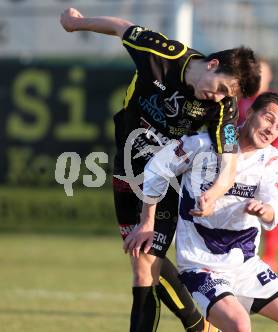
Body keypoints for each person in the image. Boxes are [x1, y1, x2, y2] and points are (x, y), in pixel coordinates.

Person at [60, 7, 261, 332]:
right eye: (222, 87)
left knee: (144, 265)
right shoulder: (163, 54)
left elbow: (229, 160)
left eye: (228, 95)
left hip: (169, 178)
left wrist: (214, 193)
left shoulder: (223, 107)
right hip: (127, 165)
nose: (220, 96)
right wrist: (76, 24)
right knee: (142, 258)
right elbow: (122, 27)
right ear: (212, 64)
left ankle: (196, 325)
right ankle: (199, 326)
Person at [138, 92, 278, 332]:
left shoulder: (270, 160)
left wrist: (265, 210)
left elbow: (275, 209)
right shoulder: (202, 144)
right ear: (249, 113)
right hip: (202, 265)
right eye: (268, 119)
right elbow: (157, 168)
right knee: (239, 325)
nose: (272, 129)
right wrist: (147, 222)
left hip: (246, 265)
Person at [238, 59, 278, 272]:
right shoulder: (240, 98)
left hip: (271, 161)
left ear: (269, 77)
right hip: (246, 161)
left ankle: (270, 255)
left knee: (272, 204)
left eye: (264, 74)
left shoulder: (276, 101)